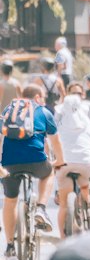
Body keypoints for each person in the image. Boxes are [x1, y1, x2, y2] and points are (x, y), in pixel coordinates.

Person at [1, 83, 62, 245]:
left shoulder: (8, 110)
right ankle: (41, 207)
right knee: (49, 173)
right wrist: (60, 161)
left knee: (10, 200)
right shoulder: (43, 111)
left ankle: (10, 246)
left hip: (9, 164)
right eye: (42, 97)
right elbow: (56, 142)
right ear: (37, 97)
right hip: (37, 161)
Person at [54, 84, 90, 237]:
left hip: (64, 165)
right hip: (85, 164)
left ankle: (62, 238)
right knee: (86, 189)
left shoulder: (58, 123)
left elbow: (50, 144)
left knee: (63, 205)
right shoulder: (87, 123)